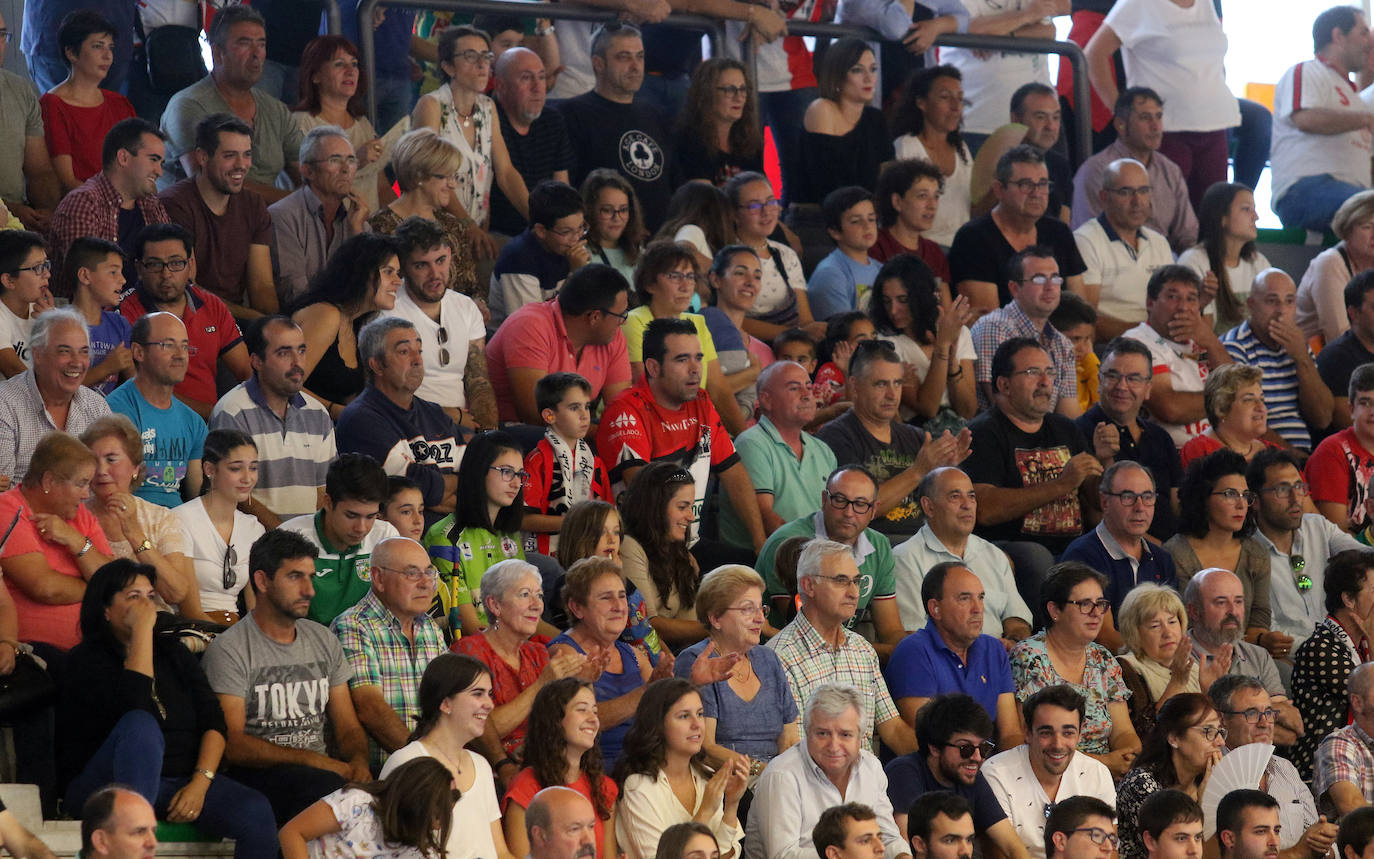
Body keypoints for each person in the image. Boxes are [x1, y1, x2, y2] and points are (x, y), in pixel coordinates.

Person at [59, 560, 278, 858]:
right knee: (140, 725)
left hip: (181, 780)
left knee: (256, 811)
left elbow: (214, 722)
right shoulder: (84, 660)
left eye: (150, 597)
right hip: (105, 784)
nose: (146, 606)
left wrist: (200, 783)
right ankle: (136, 830)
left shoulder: (174, 653)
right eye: (134, 596)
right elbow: (135, 707)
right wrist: (141, 633)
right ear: (106, 609)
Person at [202, 528, 372, 825]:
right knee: (329, 792)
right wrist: (313, 760)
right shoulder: (230, 649)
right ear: (262, 581)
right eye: (295, 577)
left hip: (323, 776)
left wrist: (358, 762)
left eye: (311, 577)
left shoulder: (323, 639)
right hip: (259, 776)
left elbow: (348, 725)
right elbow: (233, 744)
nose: (309, 590)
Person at [597, 317, 766, 559]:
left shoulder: (701, 402)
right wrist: (681, 561)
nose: (695, 368)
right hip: (639, 548)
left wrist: (761, 544)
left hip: (686, 544)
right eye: (682, 359)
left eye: (698, 357)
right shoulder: (626, 410)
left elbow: (734, 472)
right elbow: (644, 490)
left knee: (753, 566)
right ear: (654, 368)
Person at [964, 338, 1105, 580]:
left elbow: (1095, 498)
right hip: (1013, 548)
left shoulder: (1065, 428)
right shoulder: (982, 433)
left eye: (1049, 372)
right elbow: (984, 509)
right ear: (1004, 385)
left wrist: (1105, 464)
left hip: (1074, 547)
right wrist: (1061, 484)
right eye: (1032, 372)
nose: (1045, 382)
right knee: (1036, 557)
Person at [766, 539, 915, 753]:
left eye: (856, 581)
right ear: (809, 586)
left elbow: (894, 730)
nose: (854, 593)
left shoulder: (863, 650)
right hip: (812, 772)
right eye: (841, 581)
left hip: (865, 772)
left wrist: (938, 759)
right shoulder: (780, 656)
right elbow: (794, 751)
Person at [816, 339, 972, 542]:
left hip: (924, 542)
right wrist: (918, 471)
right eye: (881, 384)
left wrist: (945, 473)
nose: (892, 395)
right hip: (872, 543)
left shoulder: (916, 437)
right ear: (854, 386)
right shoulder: (835, 436)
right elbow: (858, 508)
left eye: (897, 383)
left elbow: (940, 508)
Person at [744, 683, 908, 859]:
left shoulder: (871, 767)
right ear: (807, 732)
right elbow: (782, 856)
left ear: (860, 737)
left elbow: (888, 837)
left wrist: (902, 856)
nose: (833, 746)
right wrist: (851, 855)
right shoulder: (782, 775)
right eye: (822, 734)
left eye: (845, 735)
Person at [378, 653, 516, 859]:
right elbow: (390, 851)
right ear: (445, 703)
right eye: (478, 694)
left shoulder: (481, 765)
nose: (489, 704)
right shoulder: (406, 761)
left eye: (489, 694)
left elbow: (501, 853)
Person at [754, 466, 903, 656]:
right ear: (824, 500)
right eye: (840, 500)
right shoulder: (790, 543)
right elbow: (807, 634)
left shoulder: (879, 545)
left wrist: (912, 651)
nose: (849, 512)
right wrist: (880, 651)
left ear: (874, 510)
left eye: (860, 504)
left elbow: (890, 631)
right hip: (779, 656)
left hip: (843, 652)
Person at [160, 6, 303, 202]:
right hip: (195, 217)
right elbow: (210, 185)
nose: (256, 54)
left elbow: (307, 174)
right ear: (217, 53)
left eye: (261, 44)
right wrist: (290, 202)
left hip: (266, 215)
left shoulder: (276, 109)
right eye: (245, 44)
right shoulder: (188, 105)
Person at [1012, 563, 1142, 778]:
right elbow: (1027, 741)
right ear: (1055, 610)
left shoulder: (1103, 658)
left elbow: (1124, 732)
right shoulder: (1029, 657)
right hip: (1051, 774)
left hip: (1107, 774)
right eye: (1084, 604)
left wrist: (1126, 756)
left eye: (1100, 604)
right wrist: (1104, 764)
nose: (1096, 613)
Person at [455, 558, 589, 764]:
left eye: (539, 595)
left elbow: (559, 724)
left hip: (538, 763)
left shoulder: (537, 653)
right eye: (525, 594)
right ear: (495, 605)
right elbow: (480, 728)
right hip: (487, 767)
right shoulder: (469, 652)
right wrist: (541, 685)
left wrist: (585, 684)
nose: (537, 605)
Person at [335, 315, 467, 524]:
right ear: (377, 365)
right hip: (402, 538)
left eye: (419, 351)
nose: (417, 360)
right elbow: (411, 495)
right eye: (404, 352)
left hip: (459, 534)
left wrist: (441, 490)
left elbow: (477, 478)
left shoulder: (435, 414)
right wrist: (459, 487)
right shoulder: (361, 420)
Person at [413, 26, 529, 259]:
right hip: (433, 233)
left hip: (475, 231)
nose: (482, 64)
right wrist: (467, 224)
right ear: (448, 67)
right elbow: (431, 175)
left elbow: (506, 172)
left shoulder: (488, 107)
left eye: (486, 56)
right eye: (470, 56)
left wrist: (539, 218)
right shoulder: (432, 105)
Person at [330, 535, 445, 771]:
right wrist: (426, 765)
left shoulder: (430, 628)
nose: (426, 583)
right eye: (412, 573)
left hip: (435, 763)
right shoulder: (353, 626)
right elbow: (370, 708)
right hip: (384, 773)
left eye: (429, 572)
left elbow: (452, 697)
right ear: (378, 578)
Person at [210, 315, 335, 527]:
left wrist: (312, 539)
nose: (297, 362)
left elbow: (323, 491)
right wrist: (283, 535)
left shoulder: (318, 414)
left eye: (301, 351)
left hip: (305, 540)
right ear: (256, 361)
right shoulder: (233, 411)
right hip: (252, 540)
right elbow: (233, 492)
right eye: (284, 353)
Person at [118, 223, 250, 420]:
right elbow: (141, 389)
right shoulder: (124, 312)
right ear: (139, 268)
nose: (166, 274)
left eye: (176, 263)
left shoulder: (212, 305)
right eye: (154, 264)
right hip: (152, 422)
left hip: (213, 424)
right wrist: (213, 415)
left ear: (190, 265)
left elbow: (246, 373)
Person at [672, 565, 798, 769]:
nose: (760, 618)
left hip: (774, 776)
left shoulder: (769, 659)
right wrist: (762, 771)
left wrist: (783, 777)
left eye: (761, 609)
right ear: (716, 618)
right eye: (748, 609)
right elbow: (705, 748)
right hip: (723, 776)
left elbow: (790, 740)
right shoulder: (697, 661)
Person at [0, 429, 110, 651]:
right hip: (37, 651)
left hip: (96, 645)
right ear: (48, 481)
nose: (87, 495)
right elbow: (45, 587)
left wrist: (76, 541)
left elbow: (114, 578)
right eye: (81, 484)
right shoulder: (7, 509)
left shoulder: (80, 515)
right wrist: (98, 590)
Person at [615, 678, 749, 859]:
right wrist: (706, 811)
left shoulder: (705, 776)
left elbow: (727, 855)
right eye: (684, 716)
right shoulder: (638, 786)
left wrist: (732, 804)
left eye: (700, 714)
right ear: (658, 724)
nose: (697, 724)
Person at [888, 564, 1022, 743]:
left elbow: (1011, 733)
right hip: (937, 759)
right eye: (964, 598)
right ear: (935, 608)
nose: (978, 608)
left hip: (986, 760)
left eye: (981, 597)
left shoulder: (994, 649)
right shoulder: (913, 652)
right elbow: (925, 741)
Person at [1248, 448, 1365, 654]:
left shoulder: (1317, 527)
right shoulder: (1247, 552)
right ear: (1255, 500)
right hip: (1293, 660)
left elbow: (1366, 558)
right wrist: (1327, 652)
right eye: (1282, 490)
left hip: (1341, 650)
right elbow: (1270, 632)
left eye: (1299, 486)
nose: (1296, 498)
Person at [1268, 6, 1374, 233]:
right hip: (1305, 191)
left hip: (1349, 195)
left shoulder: (1355, 98)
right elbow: (1305, 119)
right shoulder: (1306, 71)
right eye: (1363, 32)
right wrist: (1365, 119)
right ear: (1338, 36)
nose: (1369, 41)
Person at [893, 467, 1031, 641]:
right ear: (929, 506)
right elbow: (913, 636)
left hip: (999, 655)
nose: (967, 505)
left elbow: (1017, 621)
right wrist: (985, 650)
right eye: (955, 496)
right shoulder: (906, 558)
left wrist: (1014, 641)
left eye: (971, 496)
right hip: (943, 657)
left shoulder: (994, 555)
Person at [81, 415, 198, 618]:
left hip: (153, 623)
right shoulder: (75, 515)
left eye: (111, 459)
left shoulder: (161, 518)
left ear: (135, 468)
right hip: (95, 621)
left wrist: (135, 534)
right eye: (93, 461)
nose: (101, 471)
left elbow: (176, 593)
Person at [949, 146, 1087, 319]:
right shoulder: (973, 238)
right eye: (1026, 185)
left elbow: (1081, 311)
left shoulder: (1059, 232)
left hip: (1061, 334)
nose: (1036, 193)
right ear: (999, 189)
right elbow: (988, 322)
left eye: (1043, 184)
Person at [558, 24, 674, 229]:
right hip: (603, 236)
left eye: (640, 56)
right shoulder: (572, 114)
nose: (635, 66)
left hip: (660, 237)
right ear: (598, 64)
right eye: (624, 57)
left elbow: (674, 182)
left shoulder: (655, 115)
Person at [385, 216, 495, 430]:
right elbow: (390, 395)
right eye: (421, 265)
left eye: (440, 260)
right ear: (403, 267)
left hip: (462, 427)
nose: (435, 274)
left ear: (450, 255)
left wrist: (488, 435)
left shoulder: (466, 307)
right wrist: (452, 416)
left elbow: (479, 382)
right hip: (411, 426)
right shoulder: (388, 311)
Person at [487, 263, 631, 426]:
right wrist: (603, 432)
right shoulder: (530, 325)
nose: (623, 322)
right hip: (512, 430)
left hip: (573, 428)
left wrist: (617, 432)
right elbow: (535, 414)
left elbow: (621, 411)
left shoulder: (611, 337)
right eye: (621, 315)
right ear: (594, 317)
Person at [883, 695, 1027, 855]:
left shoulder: (972, 777)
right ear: (935, 747)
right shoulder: (904, 772)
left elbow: (1012, 846)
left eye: (983, 748)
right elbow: (905, 846)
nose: (977, 757)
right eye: (966, 749)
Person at [982, 686, 1116, 859]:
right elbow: (999, 854)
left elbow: (1109, 851)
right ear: (1027, 732)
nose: (1058, 744)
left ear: (1080, 733)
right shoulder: (996, 774)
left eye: (1068, 733)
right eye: (1046, 733)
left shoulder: (1096, 773)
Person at [1210, 675, 1336, 858]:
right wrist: (1298, 853)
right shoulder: (1210, 773)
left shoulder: (1285, 768)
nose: (1265, 723)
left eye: (1269, 713)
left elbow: (1320, 841)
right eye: (1252, 713)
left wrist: (1324, 848)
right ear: (1222, 719)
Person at [623, 241, 742, 432]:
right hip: (647, 427)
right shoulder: (634, 321)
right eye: (675, 276)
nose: (686, 286)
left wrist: (745, 439)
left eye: (690, 277)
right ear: (649, 284)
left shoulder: (697, 323)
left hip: (692, 425)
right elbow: (648, 390)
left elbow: (719, 391)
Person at [1061, 461, 1179, 650]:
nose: (1139, 507)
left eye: (1147, 497)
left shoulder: (1162, 559)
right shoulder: (1083, 556)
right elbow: (1104, 637)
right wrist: (1157, 653)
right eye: (1127, 497)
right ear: (1105, 502)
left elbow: (1174, 627)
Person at [423, 431, 529, 638]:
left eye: (520, 474)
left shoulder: (509, 534)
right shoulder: (444, 537)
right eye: (506, 472)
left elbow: (527, 615)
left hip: (513, 643)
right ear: (479, 471)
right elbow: (470, 627)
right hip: (474, 650)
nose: (516, 483)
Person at [718, 359, 834, 547]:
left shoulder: (823, 450)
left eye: (808, 387)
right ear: (766, 399)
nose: (807, 395)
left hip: (814, 554)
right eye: (794, 388)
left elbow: (834, 515)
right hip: (767, 557)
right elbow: (767, 520)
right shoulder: (752, 443)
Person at [1076, 337, 1183, 540]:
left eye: (1133, 379)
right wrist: (1158, 550)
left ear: (1148, 388)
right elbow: (1097, 516)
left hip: (1172, 545)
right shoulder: (1078, 432)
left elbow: (1178, 505)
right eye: (1113, 376)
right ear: (1099, 380)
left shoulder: (1160, 437)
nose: (1122, 386)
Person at [1182, 568, 1303, 744]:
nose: (1233, 611)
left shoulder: (1258, 656)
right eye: (1221, 603)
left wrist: (1230, 720)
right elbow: (1190, 735)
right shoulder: (1179, 659)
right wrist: (1266, 712)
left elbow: (1289, 733)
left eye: (1238, 601)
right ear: (1194, 611)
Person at [1070, 87, 1197, 254]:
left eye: (1158, 117)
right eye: (1145, 118)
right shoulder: (1096, 171)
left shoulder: (1170, 170)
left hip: (1164, 260)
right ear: (1121, 125)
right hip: (1111, 259)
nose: (1155, 126)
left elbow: (1188, 235)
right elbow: (1087, 237)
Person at [504, 680, 620, 859]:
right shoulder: (527, 787)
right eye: (582, 709)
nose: (593, 719)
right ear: (554, 719)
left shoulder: (604, 787)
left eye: (595, 711)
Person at [291, 232, 401, 419]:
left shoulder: (354, 323)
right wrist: (335, 410)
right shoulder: (326, 315)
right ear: (361, 273)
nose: (398, 282)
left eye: (398, 273)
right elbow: (285, 384)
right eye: (388, 272)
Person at [1221, 269, 1333, 452]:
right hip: (1260, 455)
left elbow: (1323, 418)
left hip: (1303, 453)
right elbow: (1244, 424)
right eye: (1272, 301)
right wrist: (1294, 457)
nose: (1281, 311)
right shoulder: (1234, 346)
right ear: (1251, 305)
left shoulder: (1298, 345)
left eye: (1289, 301)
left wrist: (1302, 358)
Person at [280, 453, 399, 626]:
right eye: (351, 515)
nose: (361, 528)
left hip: (368, 638)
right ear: (328, 503)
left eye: (371, 516)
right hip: (305, 639)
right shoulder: (289, 537)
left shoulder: (385, 537)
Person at [1123, 265, 1234, 448]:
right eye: (1173, 297)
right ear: (1150, 303)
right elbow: (1171, 408)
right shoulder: (1138, 341)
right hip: (1176, 452)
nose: (1183, 307)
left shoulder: (1201, 339)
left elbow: (1237, 383)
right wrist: (1228, 399)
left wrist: (1212, 342)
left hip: (1222, 446)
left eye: (1191, 299)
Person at [1165, 452, 1273, 637]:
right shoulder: (1175, 554)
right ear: (1203, 498)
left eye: (1245, 495)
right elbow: (1180, 625)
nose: (1241, 505)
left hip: (1245, 649)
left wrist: (1261, 641)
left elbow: (1260, 616)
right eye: (1230, 494)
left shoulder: (1256, 552)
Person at [0, 306, 112, 484]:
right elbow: (3, 491)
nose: (77, 362)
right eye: (64, 351)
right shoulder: (5, 403)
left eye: (84, 352)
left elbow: (107, 479)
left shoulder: (97, 407)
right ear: (37, 355)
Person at [368, 128, 480, 305]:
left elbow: (470, 287)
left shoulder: (452, 225)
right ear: (418, 176)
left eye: (454, 176)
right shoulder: (380, 227)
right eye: (445, 177)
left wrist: (478, 304)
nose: (452, 185)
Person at [106, 312, 206, 507]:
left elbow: (198, 498)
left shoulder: (193, 422)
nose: (180, 355)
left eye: (185, 346)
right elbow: (111, 494)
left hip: (178, 520)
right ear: (138, 352)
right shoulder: (114, 412)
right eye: (168, 345)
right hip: (128, 515)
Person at [47, 118, 162, 285]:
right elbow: (88, 283)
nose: (160, 171)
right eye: (153, 160)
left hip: (143, 300)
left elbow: (171, 261)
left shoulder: (149, 201)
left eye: (161, 163)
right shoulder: (84, 203)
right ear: (123, 158)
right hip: (98, 302)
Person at [968, 247, 1079, 418]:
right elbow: (1004, 405)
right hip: (1001, 431)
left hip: (1045, 430)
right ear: (1015, 288)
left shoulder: (1062, 343)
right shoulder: (994, 327)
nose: (1050, 287)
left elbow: (1069, 415)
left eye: (1055, 278)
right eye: (1039, 279)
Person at [1074, 158, 1177, 341]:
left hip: (1159, 340)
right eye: (1125, 192)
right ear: (1104, 197)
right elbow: (1087, 319)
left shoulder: (1159, 242)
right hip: (1114, 346)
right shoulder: (1086, 240)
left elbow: (1172, 302)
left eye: (1143, 191)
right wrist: (1148, 334)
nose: (1137, 201)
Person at [1295, 552, 1374, 784]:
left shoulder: (1360, 645)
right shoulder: (1320, 648)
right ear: (1348, 599)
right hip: (1323, 771)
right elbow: (1370, 695)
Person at [269, 125, 370, 307]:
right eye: (335, 160)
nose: (346, 169)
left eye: (351, 160)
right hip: (302, 318)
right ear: (308, 171)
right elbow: (295, 295)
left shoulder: (359, 221)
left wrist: (357, 233)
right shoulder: (283, 216)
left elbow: (369, 291)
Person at [171, 429, 265, 624]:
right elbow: (189, 610)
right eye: (236, 468)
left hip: (236, 627)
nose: (247, 478)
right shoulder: (180, 519)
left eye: (253, 468)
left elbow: (256, 607)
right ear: (210, 470)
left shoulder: (254, 528)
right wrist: (229, 638)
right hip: (191, 629)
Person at [1114, 695, 1225, 859]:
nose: (1220, 742)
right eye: (1208, 731)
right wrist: (1205, 806)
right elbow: (1174, 852)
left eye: (1220, 731)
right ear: (1174, 738)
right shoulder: (1140, 784)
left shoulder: (1210, 781)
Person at [278, 756, 455, 859]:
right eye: (438, 815)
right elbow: (292, 833)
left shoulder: (420, 849)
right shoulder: (357, 803)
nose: (438, 826)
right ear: (416, 803)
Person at [871, 254, 976, 424]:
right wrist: (942, 346)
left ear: (922, 297)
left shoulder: (959, 332)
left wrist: (952, 364)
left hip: (960, 428)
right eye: (886, 301)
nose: (893, 310)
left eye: (903, 300)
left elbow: (968, 411)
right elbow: (928, 408)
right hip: (917, 430)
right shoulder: (884, 342)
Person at [289, 36, 389, 214]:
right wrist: (356, 161)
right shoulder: (301, 123)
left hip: (371, 224)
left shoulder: (363, 123)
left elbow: (382, 187)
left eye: (354, 64)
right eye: (339, 64)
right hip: (328, 224)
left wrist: (400, 219)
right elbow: (310, 188)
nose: (350, 71)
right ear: (315, 75)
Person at [39, 11, 135, 194]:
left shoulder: (119, 103)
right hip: (83, 202)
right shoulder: (53, 105)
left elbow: (137, 163)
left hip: (124, 198)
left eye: (110, 47)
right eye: (98, 46)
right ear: (71, 52)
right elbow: (67, 180)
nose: (108, 56)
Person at [793, 39, 893, 209]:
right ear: (837, 75)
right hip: (816, 215)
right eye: (857, 70)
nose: (868, 78)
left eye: (873, 69)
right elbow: (827, 186)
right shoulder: (822, 108)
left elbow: (888, 179)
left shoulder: (876, 119)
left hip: (864, 215)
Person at [522, 372, 615, 555]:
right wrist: (575, 522)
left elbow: (608, 515)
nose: (585, 415)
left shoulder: (595, 463)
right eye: (574, 408)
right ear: (549, 416)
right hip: (549, 558)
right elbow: (523, 520)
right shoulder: (537, 461)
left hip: (592, 555)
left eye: (587, 407)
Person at [617, 462, 707, 649]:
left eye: (691, 507)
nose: (691, 516)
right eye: (682, 507)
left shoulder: (679, 550)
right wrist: (719, 627)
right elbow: (648, 626)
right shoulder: (629, 547)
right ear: (655, 507)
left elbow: (688, 620)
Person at [1113, 583, 1217, 738]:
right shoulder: (1124, 669)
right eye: (1155, 626)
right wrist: (1177, 683)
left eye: (1172, 622)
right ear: (1134, 633)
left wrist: (1211, 692)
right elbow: (1144, 734)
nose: (1168, 633)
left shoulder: (1193, 667)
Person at [490, 47, 573, 240]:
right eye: (526, 78)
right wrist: (546, 228)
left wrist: (566, 228)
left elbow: (562, 185)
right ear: (500, 86)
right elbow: (505, 176)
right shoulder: (488, 118)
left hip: (544, 230)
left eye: (541, 77)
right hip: (498, 232)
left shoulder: (553, 120)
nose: (537, 87)